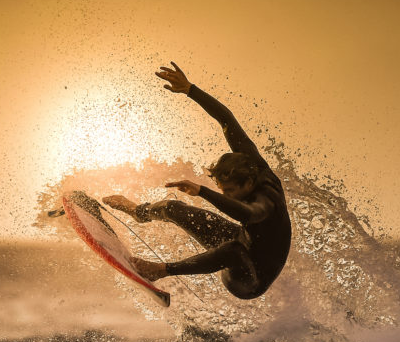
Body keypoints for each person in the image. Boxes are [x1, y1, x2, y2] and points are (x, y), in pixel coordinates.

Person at [103, 62, 291, 300]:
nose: (227, 196)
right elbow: (227, 120)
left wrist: (203, 191)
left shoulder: (267, 201)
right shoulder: (251, 161)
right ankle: (137, 211)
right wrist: (190, 90)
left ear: (249, 183)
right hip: (240, 240)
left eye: (231, 191)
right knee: (173, 208)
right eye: (224, 191)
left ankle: (160, 270)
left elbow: (246, 213)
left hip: (250, 277)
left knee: (234, 251)